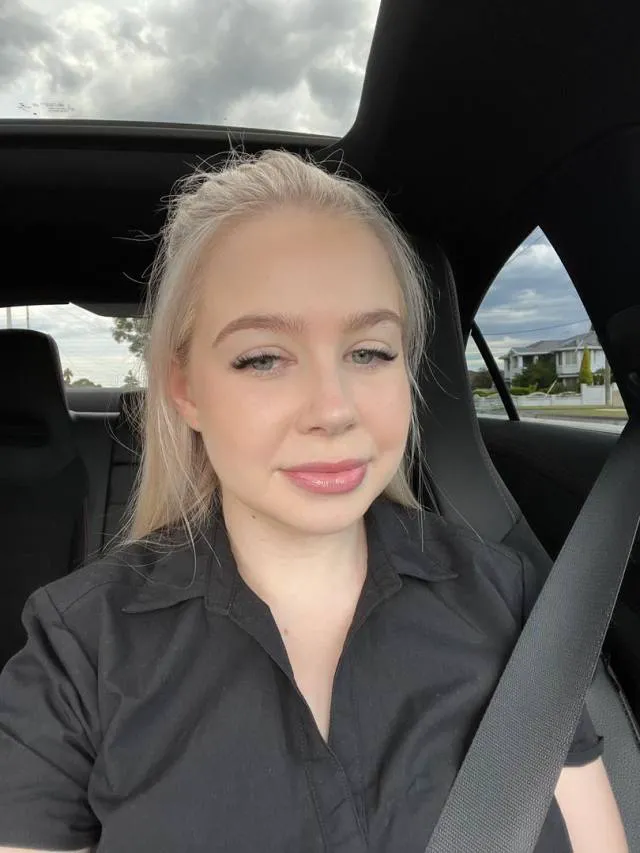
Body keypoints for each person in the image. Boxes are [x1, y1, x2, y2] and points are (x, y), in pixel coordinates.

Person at [0, 150, 628, 853]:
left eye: (370, 352)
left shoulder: (510, 600)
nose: (333, 410)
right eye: (263, 357)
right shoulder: (78, 647)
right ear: (186, 389)